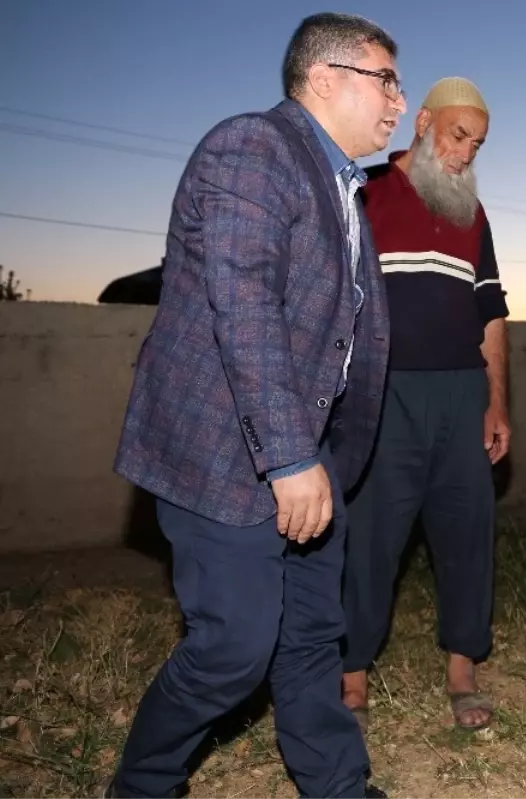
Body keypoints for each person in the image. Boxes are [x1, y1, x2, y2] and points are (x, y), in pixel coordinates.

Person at [104, 13, 406, 799]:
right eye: (386, 80)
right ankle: (140, 786)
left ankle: (337, 785)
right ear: (325, 79)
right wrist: (290, 455)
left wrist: (327, 456)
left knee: (311, 635)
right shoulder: (253, 148)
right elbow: (244, 305)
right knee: (234, 647)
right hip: (225, 451)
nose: (398, 103)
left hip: (311, 453)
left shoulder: (347, 190)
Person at [340, 77, 511, 733]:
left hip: (463, 391)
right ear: (423, 122)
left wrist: (497, 401)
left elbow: (491, 312)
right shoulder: (367, 195)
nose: (466, 153)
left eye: (477, 144)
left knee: (469, 531)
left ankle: (463, 670)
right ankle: (351, 673)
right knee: (372, 535)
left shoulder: (475, 214)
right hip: (388, 393)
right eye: (457, 136)